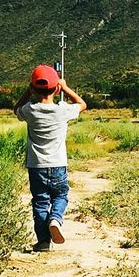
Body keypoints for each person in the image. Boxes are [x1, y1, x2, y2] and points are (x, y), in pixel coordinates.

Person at [13, 64, 87, 251]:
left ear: (33, 89)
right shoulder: (62, 110)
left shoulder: (30, 110)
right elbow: (83, 104)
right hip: (58, 164)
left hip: (36, 166)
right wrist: (66, 87)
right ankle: (56, 219)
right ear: (56, 89)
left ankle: (44, 242)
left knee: (40, 202)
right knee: (61, 195)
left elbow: (16, 109)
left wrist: (27, 92)